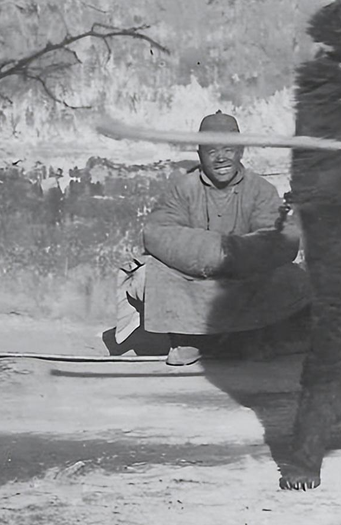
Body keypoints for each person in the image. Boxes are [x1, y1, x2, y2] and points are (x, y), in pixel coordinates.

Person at [102, 111, 311, 365]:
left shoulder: (260, 190)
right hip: (194, 278)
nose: (221, 158)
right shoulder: (184, 188)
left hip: (243, 278)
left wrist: (235, 255)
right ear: (200, 154)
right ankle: (191, 340)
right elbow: (158, 231)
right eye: (212, 151)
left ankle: (252, 338)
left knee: (292, 277)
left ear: (241, 150)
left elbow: (280, 238)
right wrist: (213, 254)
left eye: (228, 150)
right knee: (146, 274)